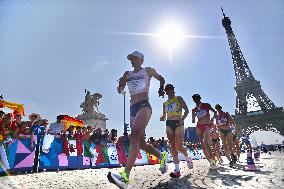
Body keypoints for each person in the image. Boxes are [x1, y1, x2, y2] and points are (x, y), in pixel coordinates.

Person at [108, 51, 168, 188]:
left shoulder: (148, 70)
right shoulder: (127, 74)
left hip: (144, 105)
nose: (132, 60)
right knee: (141, 144)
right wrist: (121, 85)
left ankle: (125, 176)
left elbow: (162, 78)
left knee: (133, 136)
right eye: (131, 59)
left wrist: (160, 89)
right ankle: (161, 156)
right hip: (132, 109)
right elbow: (120, 90)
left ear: (141, 59)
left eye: (134, 58)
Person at [160, 84, 193, 178]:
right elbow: (164, 116)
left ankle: (187, 157)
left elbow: (186, 110)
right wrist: (162, 117)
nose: (167, 90)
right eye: (166, 89)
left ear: (173, 90)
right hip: (169, 123)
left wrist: (182, 119)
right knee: (172, 146)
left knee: (178, 145)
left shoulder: (178, 98)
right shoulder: (165, 103)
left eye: (169, 88)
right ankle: (177, 169)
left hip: (178, 121)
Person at [192, 94, 216, 168]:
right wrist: (193, 116)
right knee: (203, 145)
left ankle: (213, 160)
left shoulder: (206, 105)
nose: (196, 100)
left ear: (200, 98)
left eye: (197, 99)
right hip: (199, 127)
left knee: (206, 142)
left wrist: (212, 119)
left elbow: (215, 112)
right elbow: (193, 121)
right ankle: (210, 162)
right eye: (194, 99)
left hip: (207, 125)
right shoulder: (194, 109)